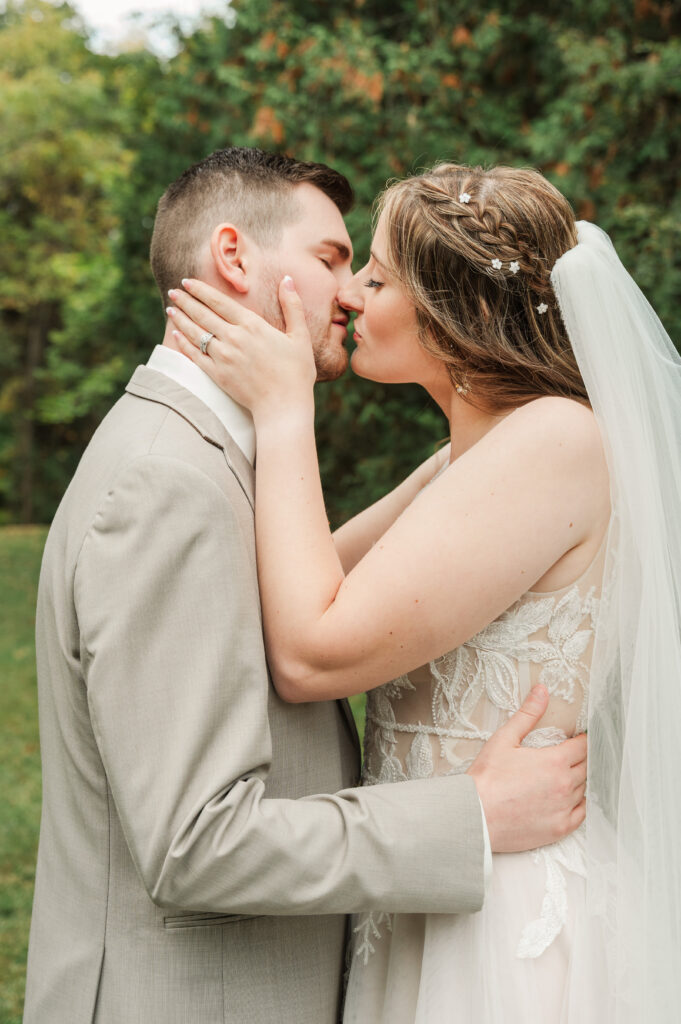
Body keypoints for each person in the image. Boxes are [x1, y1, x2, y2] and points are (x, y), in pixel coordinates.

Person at [23, 149, 588, 1024]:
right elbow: (196, 842)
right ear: (235, 259)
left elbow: (321, 597)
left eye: (368, 270)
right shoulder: (165, 485)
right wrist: (468, 817)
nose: (353, 292)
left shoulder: (200, 465)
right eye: (333, 260)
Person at [170, 161, 681, 1021]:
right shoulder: (471, 455)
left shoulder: (555, 440)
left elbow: (308, 654)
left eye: (374, 275)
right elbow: (306, 587)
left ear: (467, 310)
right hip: (431, 880)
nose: (350, 297)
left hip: (503, 918)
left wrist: (286, 411)